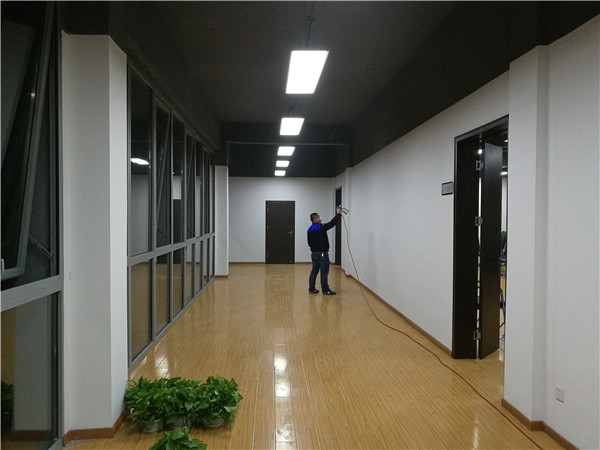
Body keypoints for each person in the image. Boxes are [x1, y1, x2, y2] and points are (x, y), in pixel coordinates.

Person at [307, 207, 342, 295]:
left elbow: (309, 243)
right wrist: (338, 214)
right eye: (318, 217)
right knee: (324, 272)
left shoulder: (309, 229)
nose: (320, 218)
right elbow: (331, 223)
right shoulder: (321, 227)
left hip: (314, 254)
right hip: (322, 254)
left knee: (314, 271)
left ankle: (311, 289)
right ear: (315, 219)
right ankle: (326, 290)